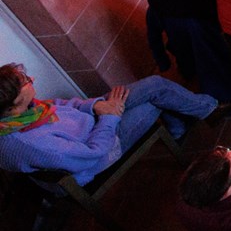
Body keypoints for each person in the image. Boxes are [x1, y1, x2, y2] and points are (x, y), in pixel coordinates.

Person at [0, 63, 217, 185]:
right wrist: (110, 116)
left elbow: (63, 104)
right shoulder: (28, 143)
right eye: (26, 81)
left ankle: (190, 120)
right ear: (12, 100)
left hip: (97, 121)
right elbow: (90, 155)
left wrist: (96, 106)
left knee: (155, 85)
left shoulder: (25, 111)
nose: (32, 80)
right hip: (103, 150)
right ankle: (209, 111)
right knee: (154, 101)